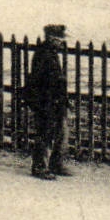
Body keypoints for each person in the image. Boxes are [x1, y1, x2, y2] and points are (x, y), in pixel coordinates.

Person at [25, 24, 72, 180]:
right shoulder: (43, 54)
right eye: (59, 40)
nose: (61, 43)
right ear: (52, 39)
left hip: (56, 100)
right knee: (45, 133)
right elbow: (38, 80)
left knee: (61, 132)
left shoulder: (51, 53)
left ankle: (56, 164)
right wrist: (42, 102)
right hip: (46, 101)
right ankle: (39, 167)